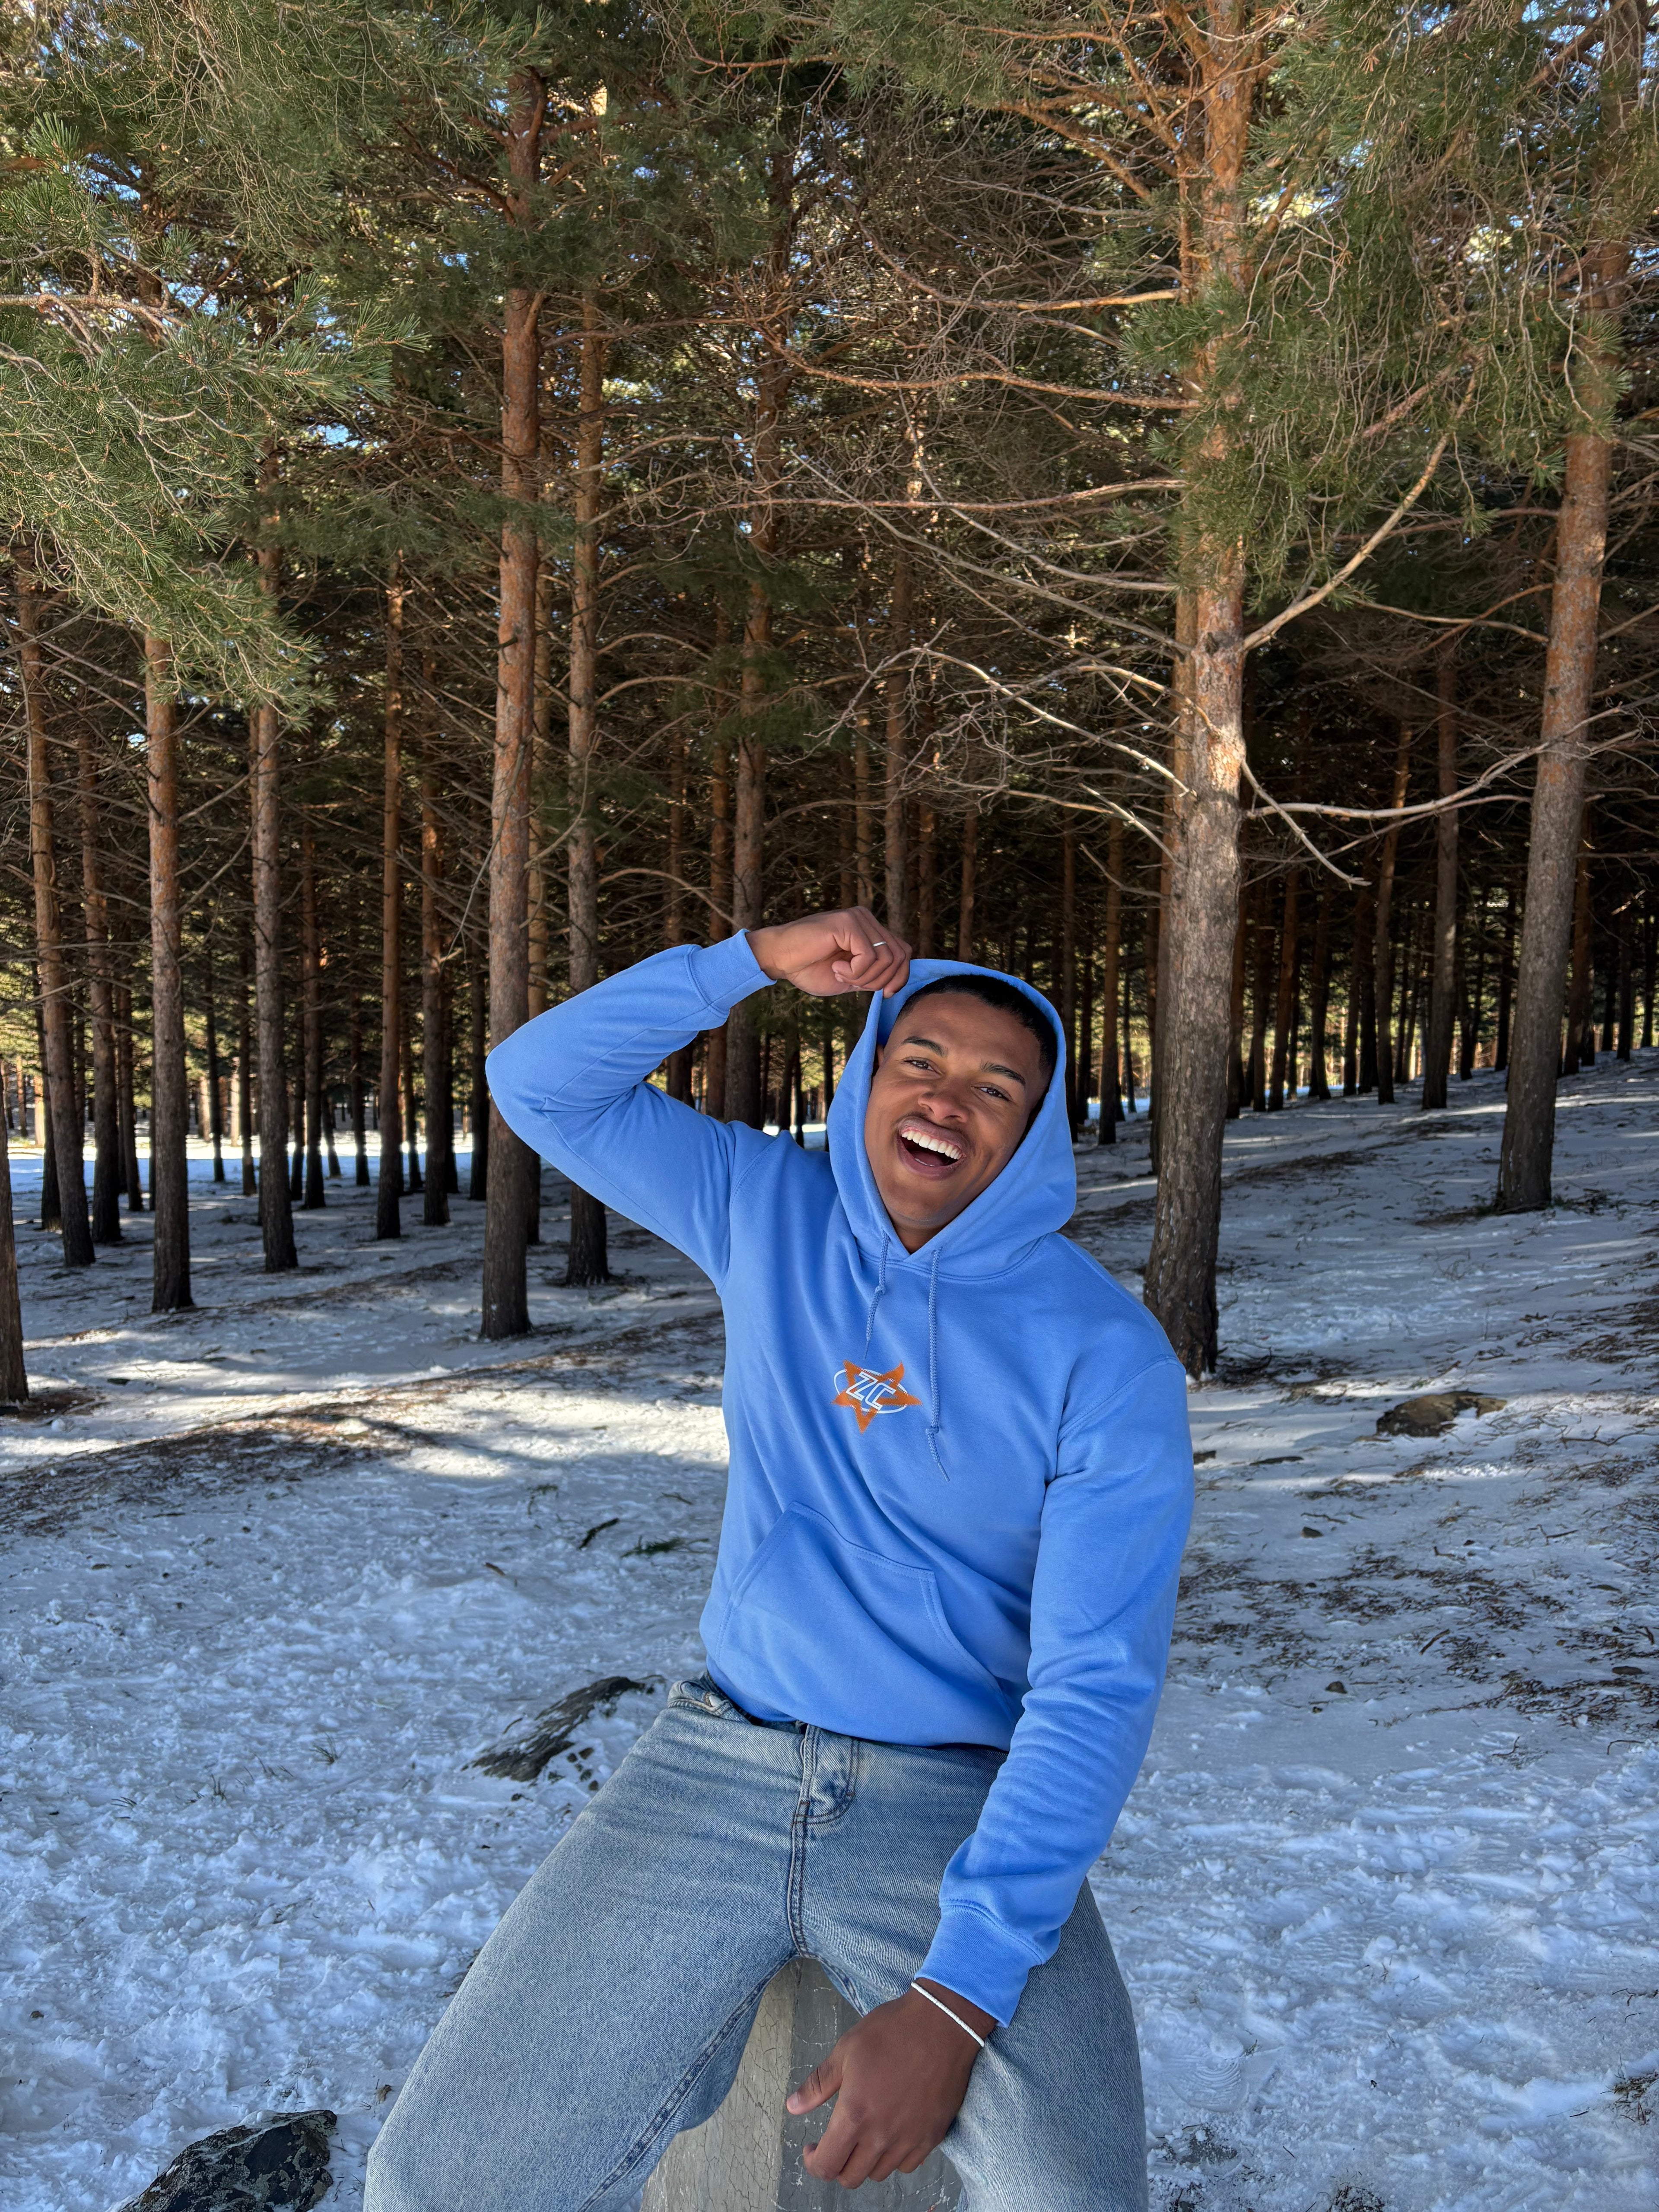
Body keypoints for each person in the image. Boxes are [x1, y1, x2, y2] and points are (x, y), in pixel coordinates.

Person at [365, 909, 1192, 2212]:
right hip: (717, 1762)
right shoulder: (768, 1208)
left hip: (954, 1799)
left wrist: (957, 2002)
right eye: (920, 1060)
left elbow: (1096, 1684)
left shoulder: (1108, 1356)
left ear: (1034, 1133)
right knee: (440, 2178)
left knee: (1072, 2197)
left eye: (997, 1088)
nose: (947, 1101)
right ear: (868, 1074)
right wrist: (744, 964)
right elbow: (539, 1083)